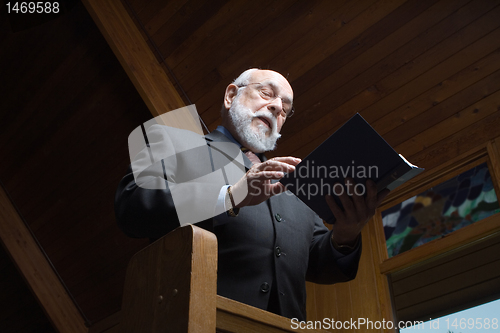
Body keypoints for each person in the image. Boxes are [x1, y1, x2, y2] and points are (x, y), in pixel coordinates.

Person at [115, 68, 389, 321]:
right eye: (267, 93)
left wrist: (345, 236)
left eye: (285, 109)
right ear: (231, 95)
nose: (277, 107)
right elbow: (133, 205)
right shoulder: (174, 142)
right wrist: (231, 195)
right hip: (199, 320)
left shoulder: (293, 182)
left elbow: (317, 262)